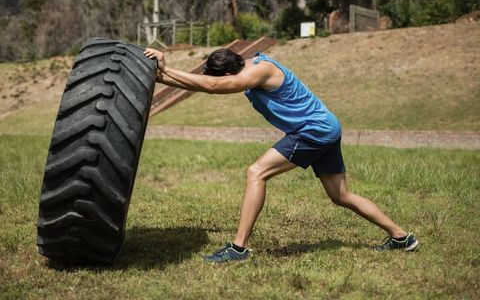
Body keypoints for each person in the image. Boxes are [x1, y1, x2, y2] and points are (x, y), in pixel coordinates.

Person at [144, 47, 419, 263]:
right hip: (326, 127)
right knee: (341, 196)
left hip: (312, 131)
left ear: (230, 74)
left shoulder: (259, 72)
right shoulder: (248, 66)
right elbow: (208, 84)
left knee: (256, 172)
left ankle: (239, 248)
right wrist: (158, 74)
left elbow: (212, 86)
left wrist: (168, 69)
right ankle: (401, 237)